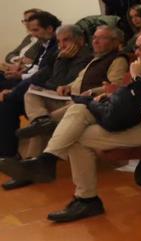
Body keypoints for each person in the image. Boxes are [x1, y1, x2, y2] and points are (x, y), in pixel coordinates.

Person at [2, 28, 141, 223]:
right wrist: (112, 94)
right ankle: (48, 158)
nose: (138, 52)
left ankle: (84, 197)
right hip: (131, 119)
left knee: (77, 137)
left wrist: (136, 78)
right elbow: (132, 97)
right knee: (79, 110)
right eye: (137, 47)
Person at [10, 25, 128, 168]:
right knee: (31, 93)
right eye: (95, 38)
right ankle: (40, 120)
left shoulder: (117, 59)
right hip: (70, 98)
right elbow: (77, 80)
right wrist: (68, 86)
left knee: (42, 126)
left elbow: (115, 87)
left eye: (101, 38)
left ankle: (29, 163)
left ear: (115, 42)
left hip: (85, 104)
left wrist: (92, 92)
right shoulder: (96, 59)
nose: (95, 42)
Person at [0, 24, 93, 161]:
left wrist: (61, 60)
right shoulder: (58, 54)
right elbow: (38, 77)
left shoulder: (85, 57)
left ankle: (32, 156)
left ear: (79, 40)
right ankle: (8, 154)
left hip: (63, 101)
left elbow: (59, 83)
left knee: (27, 95)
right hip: (46, 97)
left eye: (66, 40)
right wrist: (13, 92)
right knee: (7, 105)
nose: (61, 45)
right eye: (59, 41)